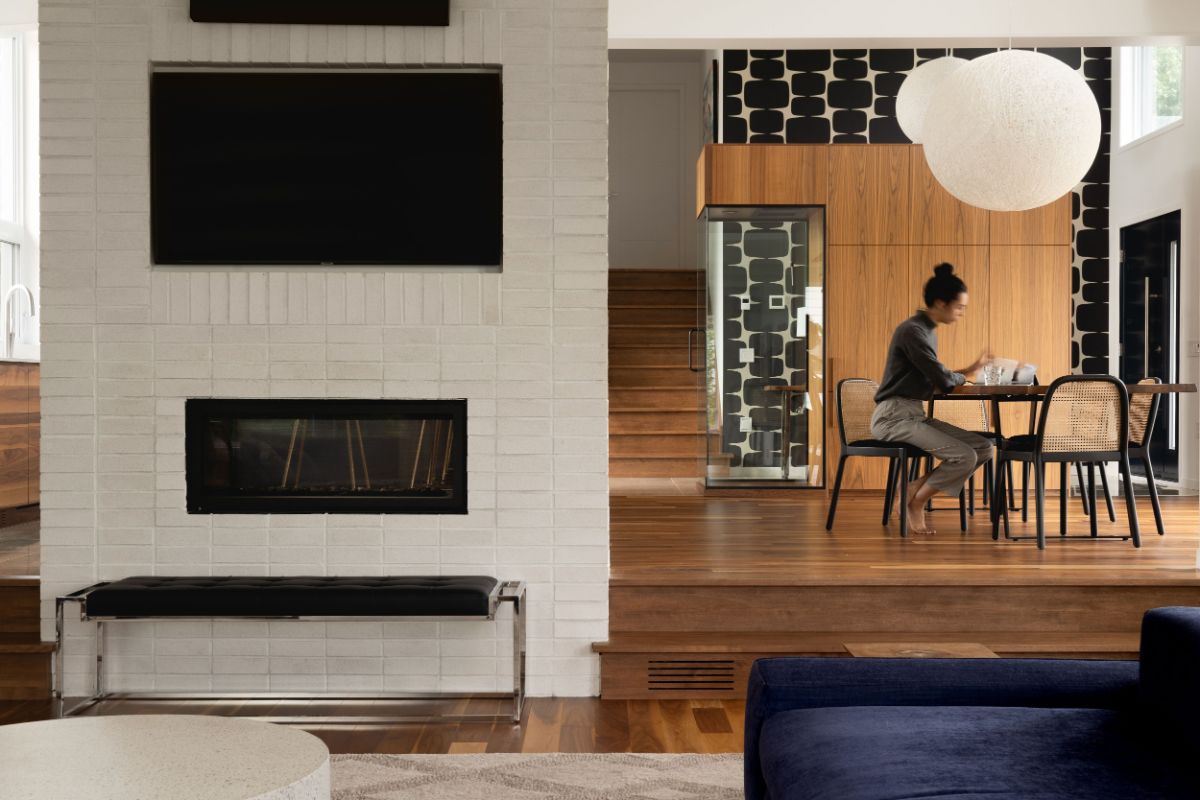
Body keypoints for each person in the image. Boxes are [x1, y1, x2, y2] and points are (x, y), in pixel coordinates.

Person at [871, 263, 993, 535]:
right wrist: (963, 375)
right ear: (941, 303)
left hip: (912, 413)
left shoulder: (925, 331)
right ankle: (916, 503)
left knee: (984, 448)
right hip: (893, 418)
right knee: (963, 456)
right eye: (960, 307)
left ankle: (913, 488)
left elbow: (937, 378)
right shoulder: (913, 332)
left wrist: (968, 370)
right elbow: (944, 380)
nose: (962, 313)